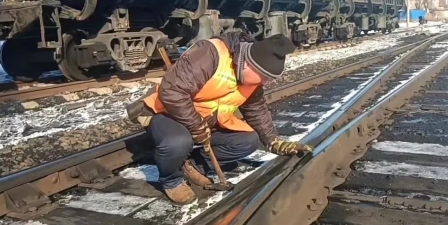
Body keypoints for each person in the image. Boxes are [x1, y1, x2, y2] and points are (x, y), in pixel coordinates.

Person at [126, 32, 314, 204]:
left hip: (206, 120)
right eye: (263, 77)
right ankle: (171, 180)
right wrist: (196, 125)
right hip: (169, 113)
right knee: (177, 142)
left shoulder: (253, 77)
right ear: (247, 63)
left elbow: (256, 108)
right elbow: (172, 92)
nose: (264, 83)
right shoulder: (210, 54)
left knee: (248, 141)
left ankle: (193, 166)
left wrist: (274, 141)